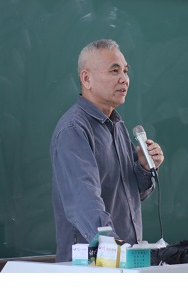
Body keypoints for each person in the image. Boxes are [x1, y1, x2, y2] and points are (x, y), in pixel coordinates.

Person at [50, 39, 164, 262]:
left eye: (125, 71)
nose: (124, 79)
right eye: (114, 71)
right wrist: (117, 251)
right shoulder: (74, 130)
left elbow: (133, 196)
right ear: (86, 79)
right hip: (91, 266)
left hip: (122, 261)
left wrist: (143, 168)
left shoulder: (117, 126)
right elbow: (84, 204)